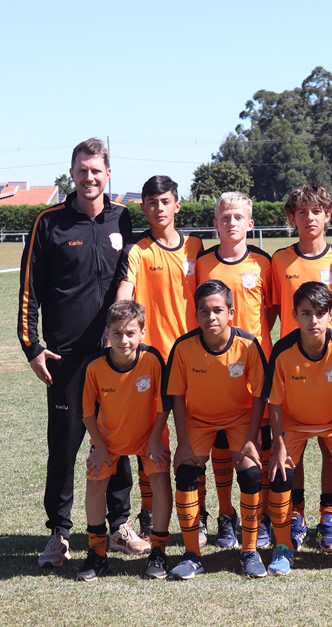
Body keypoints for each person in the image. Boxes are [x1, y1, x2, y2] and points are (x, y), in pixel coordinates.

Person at [18, 137, 142, 569]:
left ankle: (121, 524)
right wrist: (32, 347)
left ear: (108, 174)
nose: (90, 178)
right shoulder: (49, 222)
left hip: (113, 354)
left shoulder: (123, 219)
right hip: (66, 358)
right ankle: (58, 532)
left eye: (97, 170)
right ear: (71, 174)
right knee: (65, 446)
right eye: (82, 170)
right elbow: (28, 291)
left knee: (116, 439)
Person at [115, 175, 208, 547]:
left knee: (193, 441)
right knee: (152, 443)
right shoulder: (138, 251)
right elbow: (125, 287)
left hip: (192, 359)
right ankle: (150, 513)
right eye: (151, 202)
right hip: (152, 361)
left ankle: (196, 516)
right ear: (144, 207)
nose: (159, 208)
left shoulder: (197, 247)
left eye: (165, 201)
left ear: (177, 205)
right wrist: (116, 318)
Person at [263, 282, 332, 575]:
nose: (314, 321)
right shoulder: (283, 351)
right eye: (306, 313)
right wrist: (278, 444)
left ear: (331, 315)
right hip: (294, 424)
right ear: (295, 315)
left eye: (320, 313)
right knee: (280, 472)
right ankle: (283, 547)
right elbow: (274, 403)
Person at [164, 280, 269, 579]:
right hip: (198, 421)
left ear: (231, 313)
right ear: (195, 314)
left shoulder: (248, 345)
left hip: (239, 420)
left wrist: (252, 438)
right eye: (204, 311)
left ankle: (249, 550)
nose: (211, 317)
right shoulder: (183, 348)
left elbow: (260, 393)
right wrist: (183, 442)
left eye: (218, 310)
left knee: (250, 473)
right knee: (185, 472)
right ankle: (192, 554)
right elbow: (177, 398)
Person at [270, 184, 332, 551]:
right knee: (294, 446)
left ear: (327, 215)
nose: (309, 218)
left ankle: (329, 518)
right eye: (301, 212)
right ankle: (297, 516)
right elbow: (272, 313)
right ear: (292, 218)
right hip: (292, 368)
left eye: (315, 211)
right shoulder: (278, 260)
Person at [195, 192, 276, 550]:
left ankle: (263, 517)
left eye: (238, 217)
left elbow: (270, 311)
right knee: (221, 447)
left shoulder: (263, 263)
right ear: (216, 224)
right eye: (225, 217)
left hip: (255, 366)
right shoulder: (202, 263)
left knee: (261, 444)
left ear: (250, 224)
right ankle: (226, 515)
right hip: (214, 367)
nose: (231, 223)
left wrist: (254, 344)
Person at [76, 301, 173, 580]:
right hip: (109, 437)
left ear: (142, 332)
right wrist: (100, 446)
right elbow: (86, 413)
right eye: (116, 333)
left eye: (131, 333)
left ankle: (159, 552)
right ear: (107, 333)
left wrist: (155, 439)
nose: (124, 340)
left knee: (160, 482)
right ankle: (97, 555)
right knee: (95, 484)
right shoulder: (94, 366)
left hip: (148, 436)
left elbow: (163, 405)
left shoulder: (152, 359)